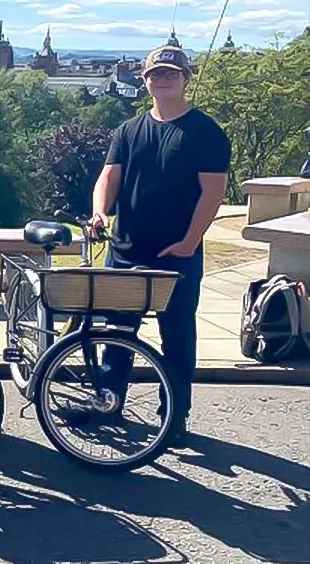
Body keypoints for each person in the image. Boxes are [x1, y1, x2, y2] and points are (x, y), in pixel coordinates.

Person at [89, 44, 230, 445]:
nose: (162, 79)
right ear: (144, 79)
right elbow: (109, 176)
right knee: (117, 333)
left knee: (177, 335)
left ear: (186, 77)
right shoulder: (128, 130)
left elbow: (212, 192)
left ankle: (175, 414)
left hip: (176, 254)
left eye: (171, 72)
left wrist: (190, 241)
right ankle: (110, 402)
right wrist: (101, 212)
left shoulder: (204, 131)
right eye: (155, 73)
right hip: (126, 248)